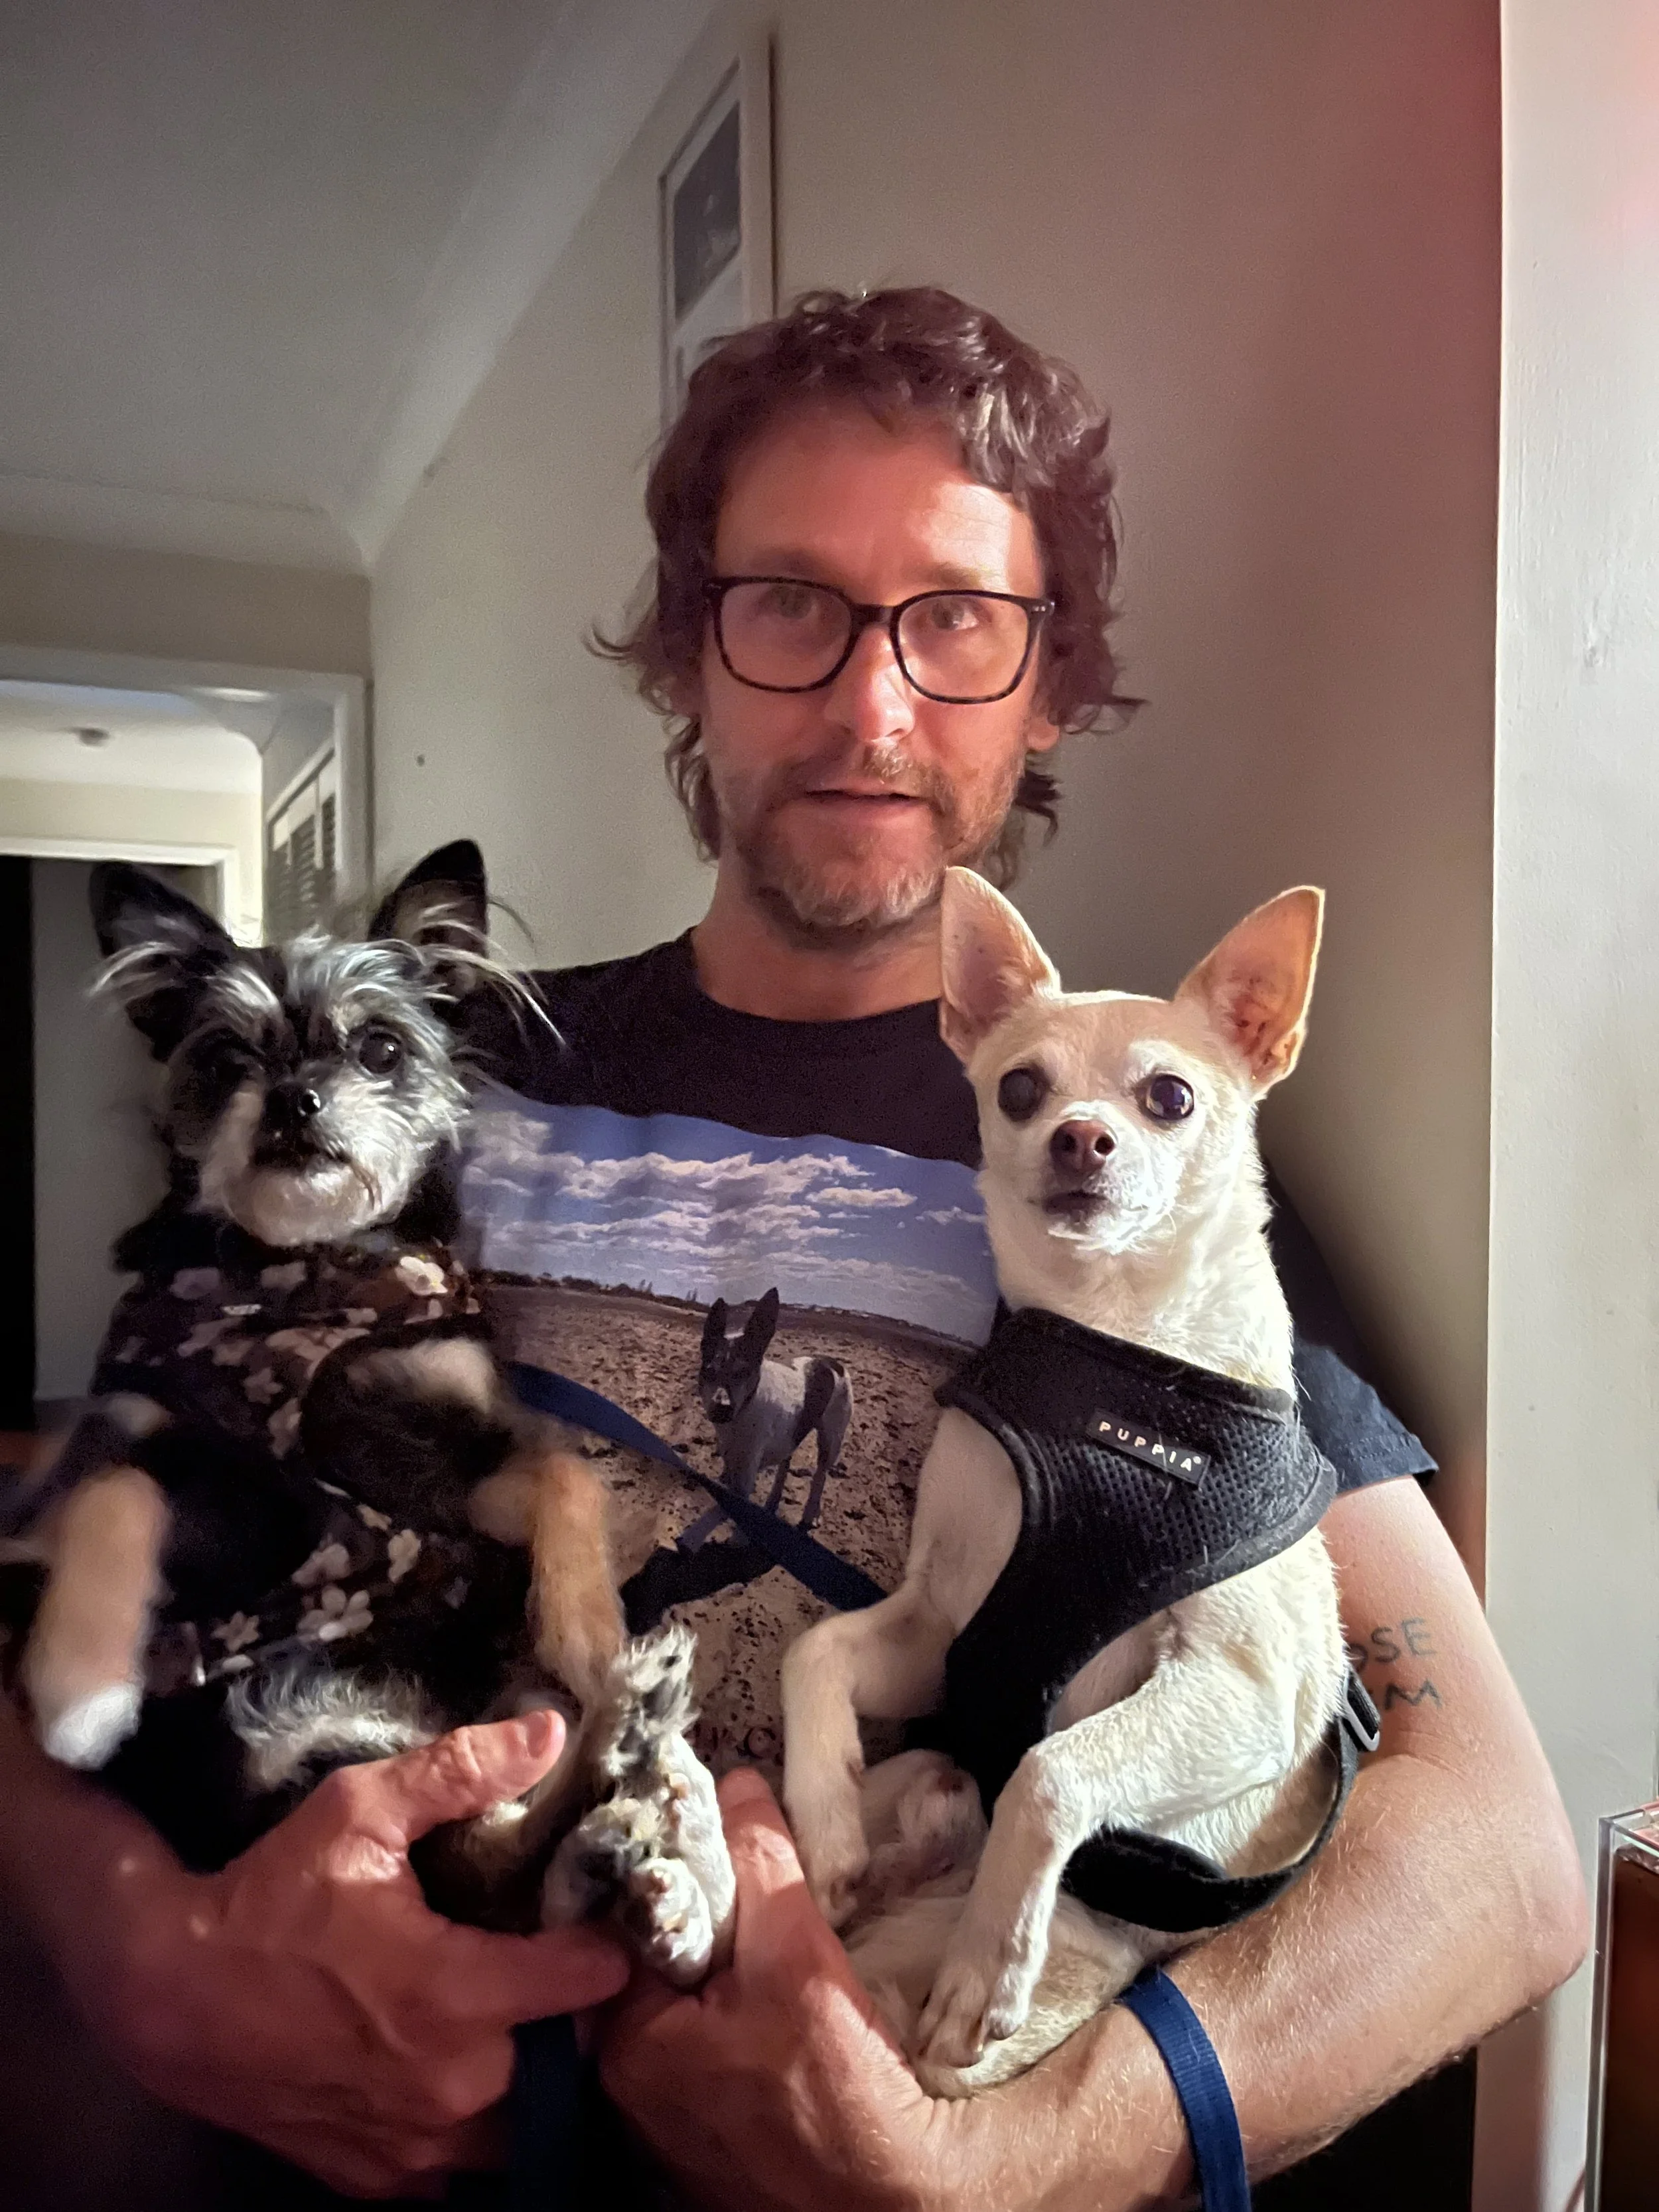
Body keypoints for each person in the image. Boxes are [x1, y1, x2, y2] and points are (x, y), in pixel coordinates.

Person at [0, 287, 1583, 2211]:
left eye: (957, 620)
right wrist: (136, 1952)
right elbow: (92, 1520)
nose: (869, 702)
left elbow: (1495, 1853)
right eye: (788, 605)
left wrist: (998, 2161)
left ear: (1049, 682)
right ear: (688, 650)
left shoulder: (1153, 1163)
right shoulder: (420, 1075)